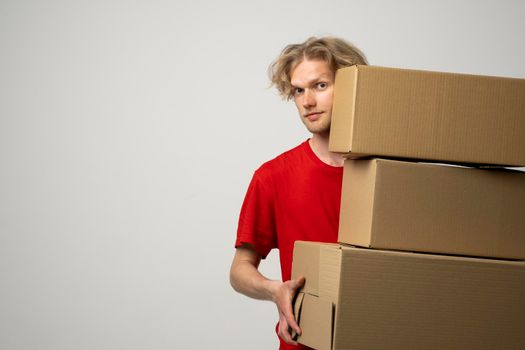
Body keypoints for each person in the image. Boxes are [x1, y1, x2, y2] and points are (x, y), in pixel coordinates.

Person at [230, 36, 368, 350]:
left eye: (320, 86)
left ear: (353, 85)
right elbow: (240, 269)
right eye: (298, 90)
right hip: (307, 343)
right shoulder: (273, 176)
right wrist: (273, 290)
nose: (307, 102)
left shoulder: (391, 172)